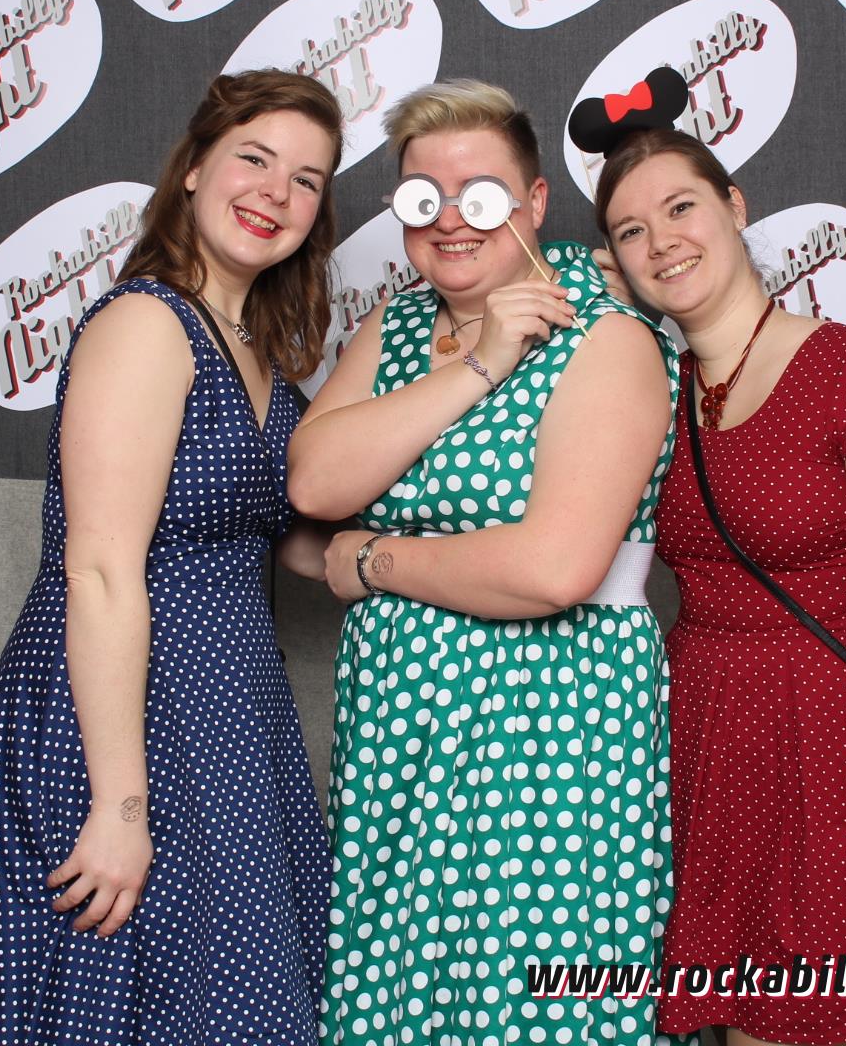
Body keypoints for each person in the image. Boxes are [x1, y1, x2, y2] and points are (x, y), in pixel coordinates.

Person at [0, 70, 345, 1045]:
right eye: (253, 158)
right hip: (118, 721)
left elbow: (280, 537)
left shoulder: (255, 347)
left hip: (227, 715)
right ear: (193, 168)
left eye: (305, 179)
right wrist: (117, 803)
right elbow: (102, 568)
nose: (274, 192)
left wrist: (430, 555)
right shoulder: (146, 324)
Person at [287, 80, 678, 1045]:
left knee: (532, 1004)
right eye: (424, 197)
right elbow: (314, 481)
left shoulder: (603, 333)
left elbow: (552, 570)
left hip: (545, 728)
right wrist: (482, 361)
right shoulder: (397, 325)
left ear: (535, 202)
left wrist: (372, 562)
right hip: (397, 733)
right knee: (398, 997)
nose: (451, 220)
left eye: (483, 195)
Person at [592, 124, 846, 1043]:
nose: (661, 242)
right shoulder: (651, 393)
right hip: (701, 753)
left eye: (681, 207)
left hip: (829, 753)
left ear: (734, 208)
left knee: (784, 1025)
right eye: (629, 231)